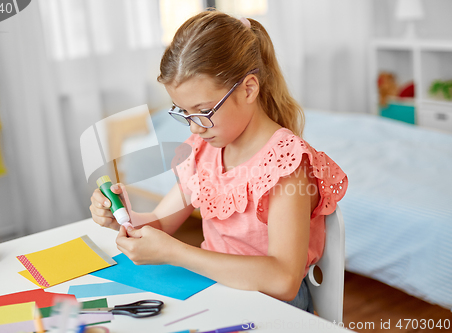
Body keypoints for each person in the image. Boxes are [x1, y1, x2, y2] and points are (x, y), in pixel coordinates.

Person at [89, 11, 347, 313]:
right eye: (184, 113)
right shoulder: (202, 149)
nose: (194, 128)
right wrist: (124, 217)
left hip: (272, 305)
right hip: (215, 290)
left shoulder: (286, 163)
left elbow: (284, 280)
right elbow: (161, 222)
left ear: (249, 89)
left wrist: (178, 253)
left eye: (203, 111)